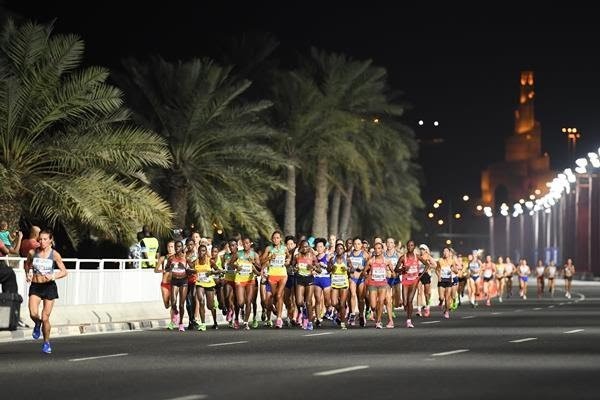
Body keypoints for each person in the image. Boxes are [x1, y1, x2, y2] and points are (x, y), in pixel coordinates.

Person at [24, 229, 68, 354]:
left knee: (45, 318)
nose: (42, 242)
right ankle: (37, 324)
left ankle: (46, 342)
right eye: (40, 239)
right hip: (36, 286)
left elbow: (64, 271)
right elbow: (27, 264)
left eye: (45, 239)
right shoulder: (33, 252)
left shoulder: (54, 254)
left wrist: (53, 276)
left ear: (50, 240)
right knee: (33, 313)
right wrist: (28, 273)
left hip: (49, 287)